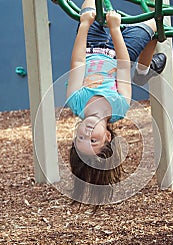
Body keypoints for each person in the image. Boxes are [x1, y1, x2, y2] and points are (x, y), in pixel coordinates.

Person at [65, 0, 167, 207]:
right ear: (108, 137)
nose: (87, 132)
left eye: (81, 137)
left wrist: (84, 24)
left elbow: (77, 63)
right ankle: (141, 71)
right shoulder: (120, 105)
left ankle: (143, 71)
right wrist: (114, 30)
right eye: (93, 140)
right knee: (156, 22)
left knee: (90, 3)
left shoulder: (76, 100)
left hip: (91, 44)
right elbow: (122, 67)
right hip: (123, 51)